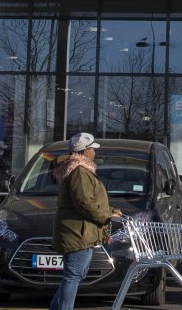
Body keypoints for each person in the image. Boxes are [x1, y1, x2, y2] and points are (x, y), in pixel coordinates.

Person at [49, 133, 122, 310]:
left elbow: (87, 201)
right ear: (86, 151)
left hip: (79, 232)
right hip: (77, 233)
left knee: (75, 275)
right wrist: (106, 215)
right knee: (73, 276)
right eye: (92, 149)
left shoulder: (78, 170)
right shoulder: (80, 172)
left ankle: (55, 307)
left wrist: (109, 210)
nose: (95, 153)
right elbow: (84, 203)